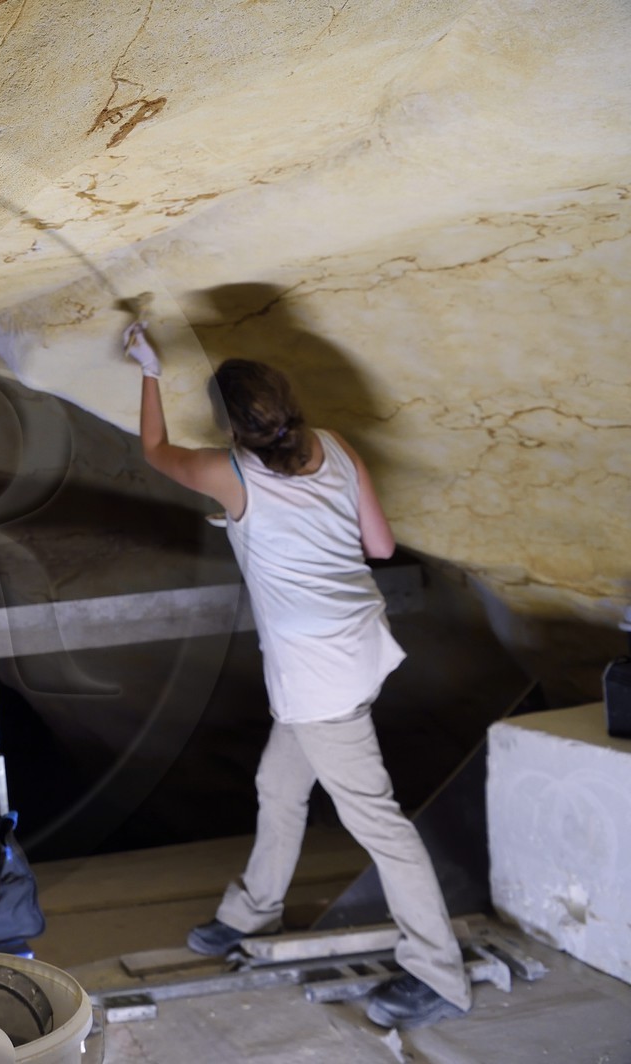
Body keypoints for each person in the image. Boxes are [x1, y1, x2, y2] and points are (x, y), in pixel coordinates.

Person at [121, 321, 472, 1030]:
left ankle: (440, 974)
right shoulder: (332, 445)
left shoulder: (232, 473)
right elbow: (380, 546)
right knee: (279, 785)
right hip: (358, 646)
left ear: (232, 428)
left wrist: (149, 370)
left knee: (379, 824)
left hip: (319, 677)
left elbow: (155, 450)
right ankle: (254, 910)